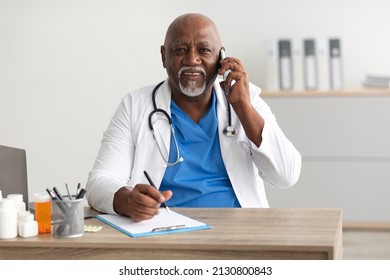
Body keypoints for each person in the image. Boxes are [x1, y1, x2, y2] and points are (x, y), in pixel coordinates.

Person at [86, 13, 301, 221]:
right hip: (166, 230)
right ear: (164, 56)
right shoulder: (135, 105)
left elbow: (286, 176)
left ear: (221, 58)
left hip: (239, 229)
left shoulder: (246, 97)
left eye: (204, 50)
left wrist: (243, 108)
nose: (192, 60)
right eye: (180, 49)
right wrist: (127, 201)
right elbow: (99, 182)